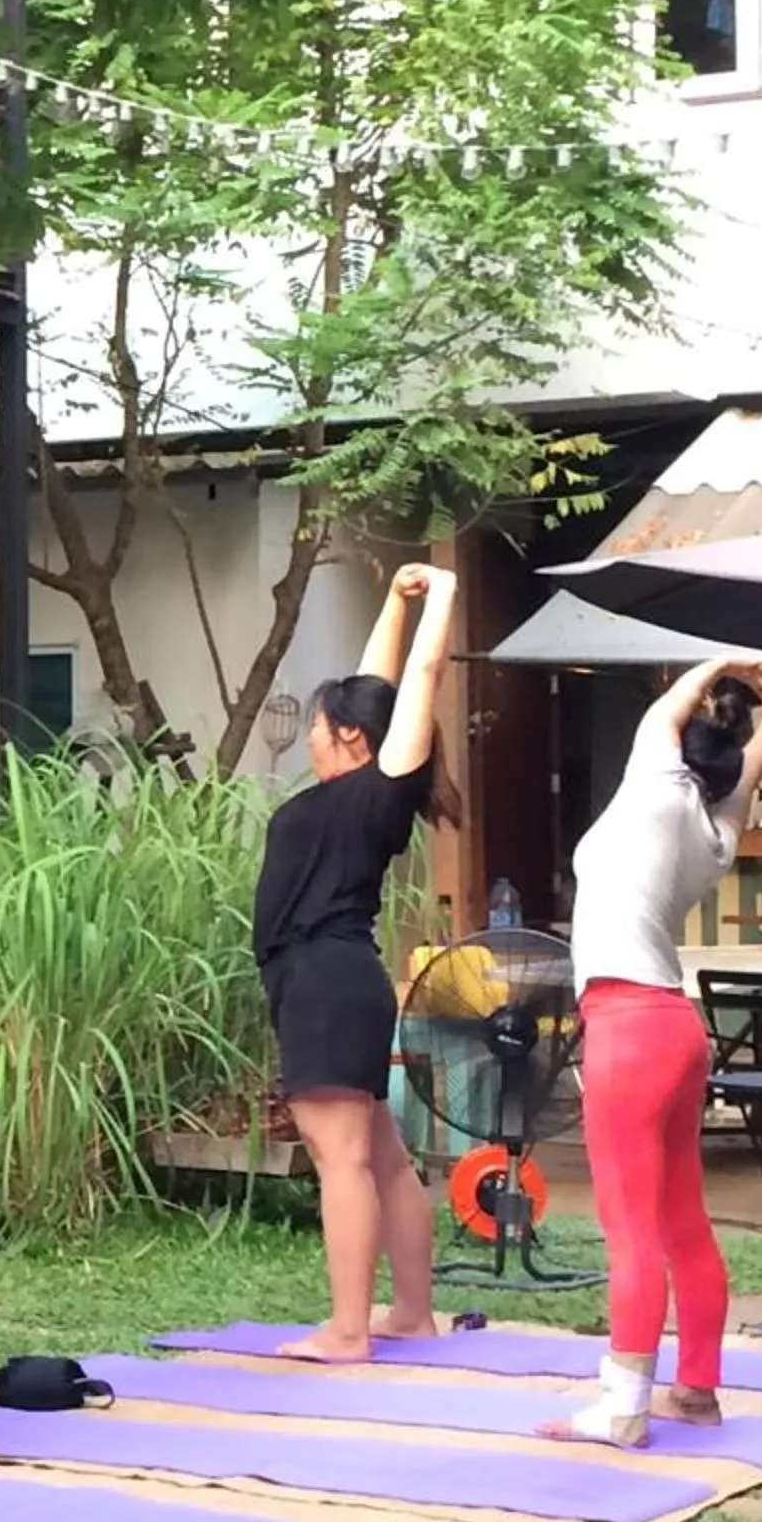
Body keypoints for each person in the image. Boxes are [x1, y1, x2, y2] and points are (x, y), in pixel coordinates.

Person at [540, 656, 762, 1446]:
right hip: (677, 1028)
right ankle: (697, 1389)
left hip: (626, 1025)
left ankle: (623, 1405)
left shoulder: (652, 780)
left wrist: (721, 669)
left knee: (631, 1224)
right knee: (682, 1216)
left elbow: (676, 707)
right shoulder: (715, 829)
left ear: (679, 745)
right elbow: (740, 774)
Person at [251, 562, 458, 1364]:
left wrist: (444, 597)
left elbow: (419, 681)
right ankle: (410, 1311)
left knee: (341, 1157)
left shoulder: (380, 790)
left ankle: (348, 1330)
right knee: (379, 1153)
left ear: (351, 739)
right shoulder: (361, 786)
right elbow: (378, 684)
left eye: (318, 721)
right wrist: (395, 602)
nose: (309, 732)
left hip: (325, 979)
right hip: (336, 979)